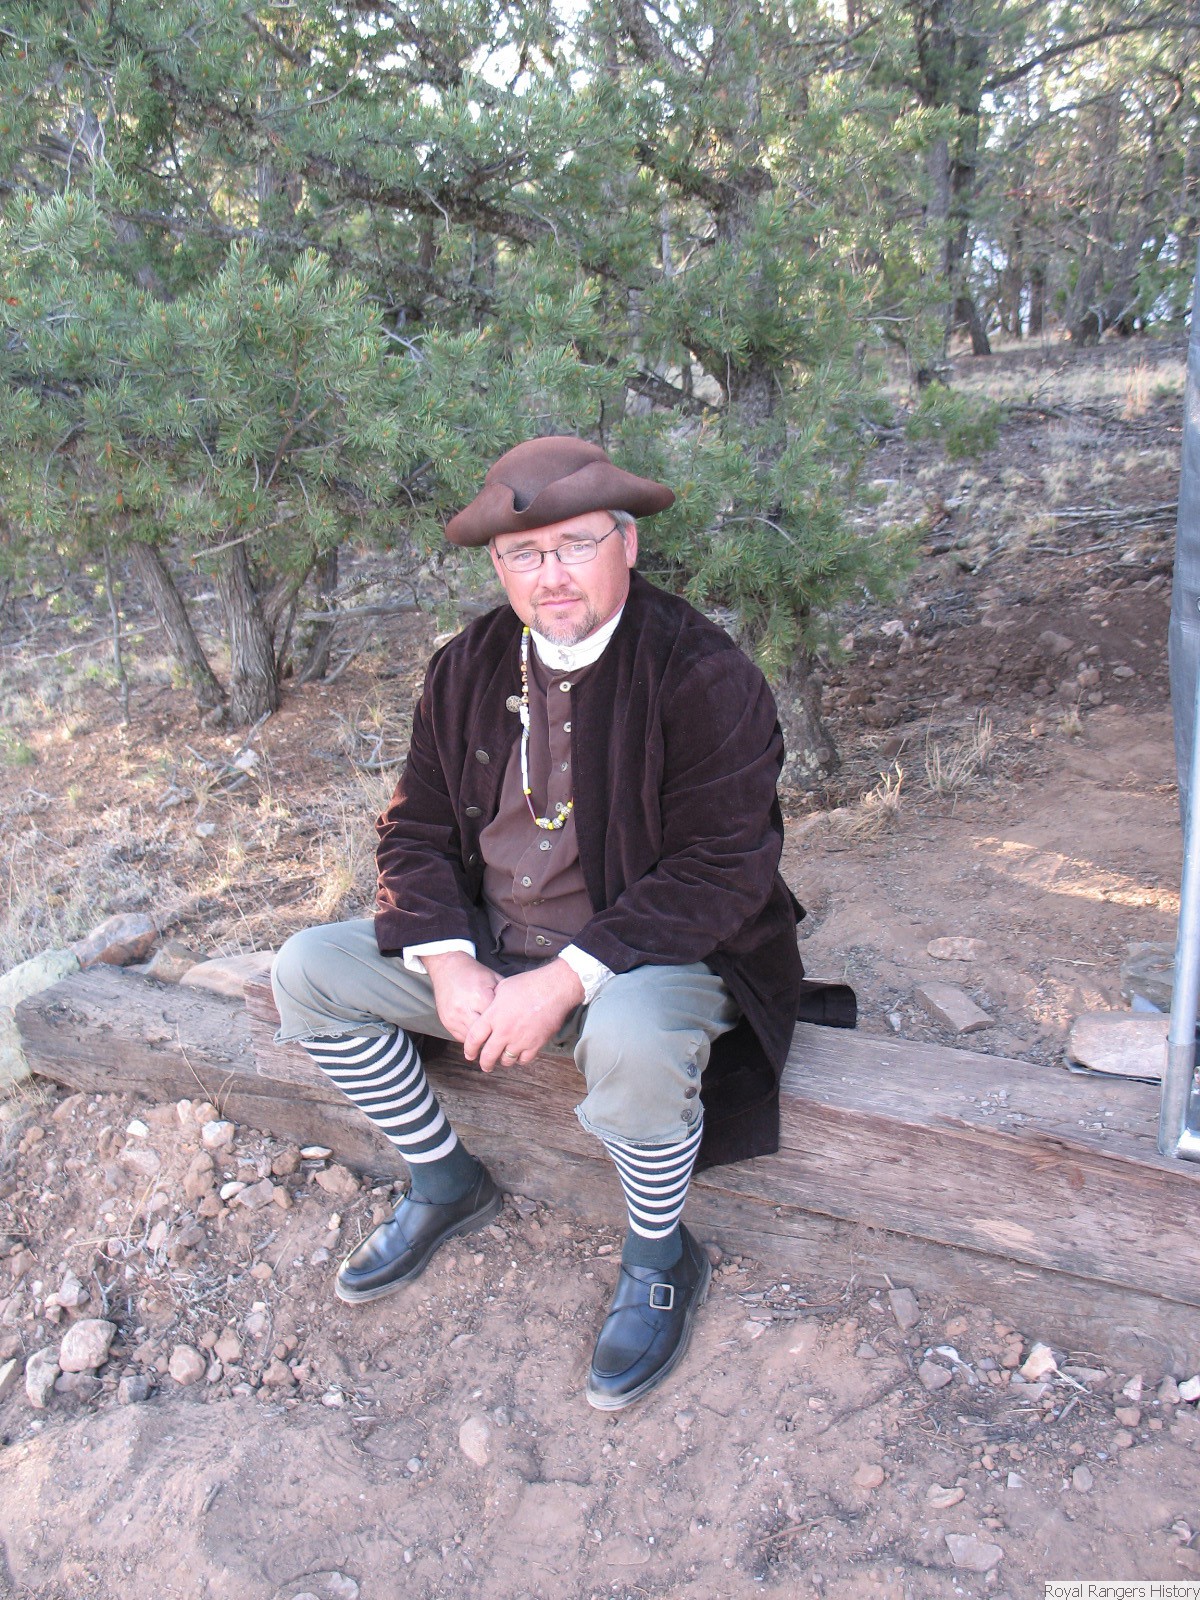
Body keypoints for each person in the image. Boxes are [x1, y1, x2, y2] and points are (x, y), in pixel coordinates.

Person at [272, 435, 850, 1410]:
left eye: (576, 545)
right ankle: (445, 1179)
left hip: (657, 952)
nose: (552, 576)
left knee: (629, 1043)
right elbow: (413, 828)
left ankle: (660, 1252)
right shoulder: (467, 666)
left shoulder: (702, 672)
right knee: (306, 971)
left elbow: (720, 869)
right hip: (493, 942)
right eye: (525, 554)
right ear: (499, 566)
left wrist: (562, 981)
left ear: (628, 543)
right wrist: (450, 961)